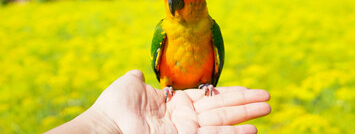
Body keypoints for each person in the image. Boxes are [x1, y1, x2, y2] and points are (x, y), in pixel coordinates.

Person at [45, 70, 271, 134]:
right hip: (172, 96)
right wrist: (104, 121)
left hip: (200, 93)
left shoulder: (212, 29)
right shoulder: (162, 31)